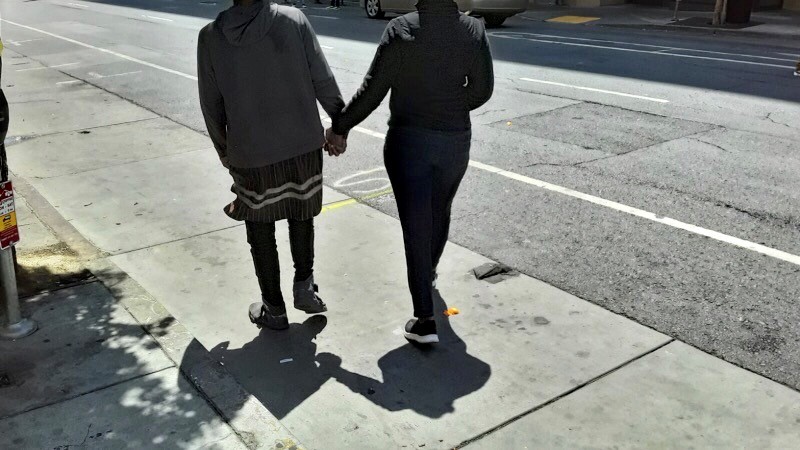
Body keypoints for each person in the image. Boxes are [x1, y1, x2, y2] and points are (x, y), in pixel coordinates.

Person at [328, 0, 493, 344]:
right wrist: (451, 105)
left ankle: (424, 318)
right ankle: (428, 273)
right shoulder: (473, 29)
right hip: (454, 141)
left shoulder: (401, 29)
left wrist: (340, 127)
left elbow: (373, 89)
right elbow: (482, 90)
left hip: (409, 141)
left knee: (416, 225)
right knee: (439, 211)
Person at [198, 0, 345, 331]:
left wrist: (224, 149)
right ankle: (304, 285)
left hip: (250, 151)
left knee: (259, 225)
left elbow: (211, 103)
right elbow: (323, 78)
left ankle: (274, 308)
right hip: (303, 147)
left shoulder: (210, 37)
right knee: (301, 212)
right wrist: (339, 125)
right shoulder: (293, 20)